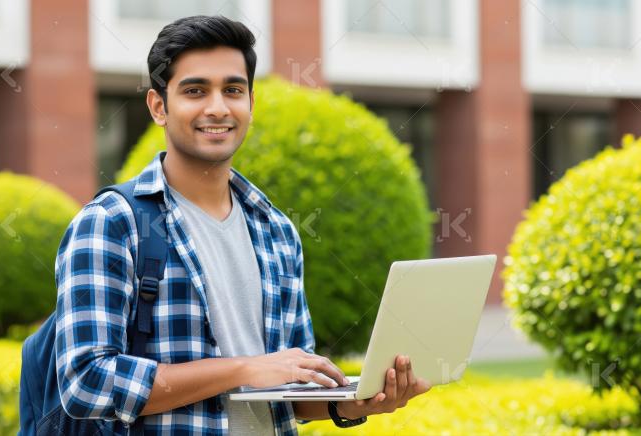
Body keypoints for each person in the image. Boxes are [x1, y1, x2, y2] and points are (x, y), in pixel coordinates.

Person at [54, 15, 430, 435]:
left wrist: (354, 403)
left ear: (250, 103)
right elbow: (84, 382)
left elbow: (286, 389)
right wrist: (242, 368)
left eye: (232, 90)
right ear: (159, 106)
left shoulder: (276, 231)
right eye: (195, 91)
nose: (217, 107)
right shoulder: (111, 223)